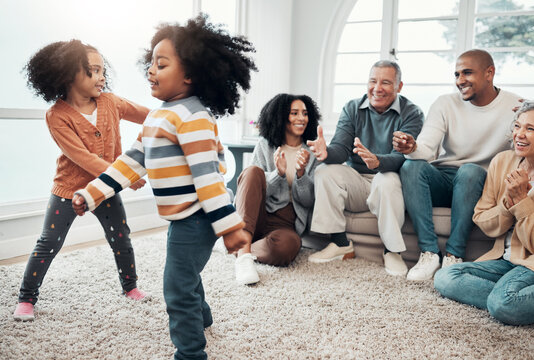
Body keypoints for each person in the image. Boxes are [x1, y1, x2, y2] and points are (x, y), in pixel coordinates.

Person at [72, 15, 254, 360]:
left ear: (189, 75)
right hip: (181, 217)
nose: (151, 70)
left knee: (176, 285)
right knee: (186, 273)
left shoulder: (195, 117)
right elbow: (129, 163)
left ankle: (190, 353)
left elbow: (208, 179)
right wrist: (91, 193)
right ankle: (202, 317)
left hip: (200, 218)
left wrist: (230, 228)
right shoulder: (159, 116)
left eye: (162, 63)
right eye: (151, 63)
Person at [13, 40, 150, 322]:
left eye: (103, 71)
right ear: (68, 74)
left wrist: (175, 118)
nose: (102, 77)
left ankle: (130, 286)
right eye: (93, 71)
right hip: (69, 188)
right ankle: (27, 298)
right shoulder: (57, 116)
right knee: (48, 242)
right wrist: (125, 176)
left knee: (121, 238)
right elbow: (83, 158)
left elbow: (150, 117)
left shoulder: (111, 103)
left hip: (106, 190)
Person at [393, 49, 523, 281]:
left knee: (471, 171)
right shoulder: (445, 104)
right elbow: (426, 147)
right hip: (445, 178)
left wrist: (527, 117)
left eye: (467, 73)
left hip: (479, 183)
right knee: (410, 166)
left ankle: (454, 255)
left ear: (489, 73)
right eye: (456, 74)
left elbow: (523, 149)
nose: (460, 81)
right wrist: (412, 148)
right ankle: (429, 253)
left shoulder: (514, 106)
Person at [306, 60, 424, 276]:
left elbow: (403, 157)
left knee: (386, 179)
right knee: (324, 171)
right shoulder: (352, 108)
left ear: (399, 87)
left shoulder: (412, 113)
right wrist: (326, 153)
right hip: (357, 182)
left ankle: (392, 251)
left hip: (390, 183)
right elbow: (341, 149)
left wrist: (378, 161)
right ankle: (340, 243)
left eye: (386, 82)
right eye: (373, 81)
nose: (377, 88)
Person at [434, 101, 534, 325]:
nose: (520, 134)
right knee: (446, 277)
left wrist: (522, 202)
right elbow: (484, 221)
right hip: (506, 261)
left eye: (530, 129)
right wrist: (508, 203)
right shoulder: (502, 162)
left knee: (503, 305)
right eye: (517, 126)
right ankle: (512, 298)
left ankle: (508, 300)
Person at [233, 93, 320, 285]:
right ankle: (243, 258)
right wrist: (277, 174)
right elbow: (251, 183)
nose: (301, 118)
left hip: (286, 224)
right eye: (294, 113)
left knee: (288, 248)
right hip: (257, 214)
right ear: (281, 116)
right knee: (253, 171)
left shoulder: (312, 153)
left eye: (305, 113)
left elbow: (308, 201)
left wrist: (300, 174)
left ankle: (241, 247)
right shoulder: (264, 146)